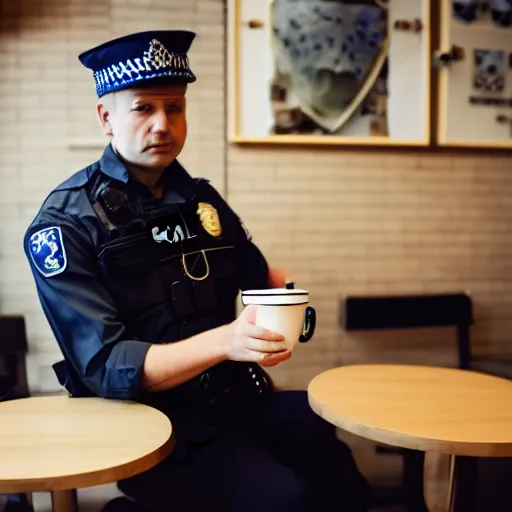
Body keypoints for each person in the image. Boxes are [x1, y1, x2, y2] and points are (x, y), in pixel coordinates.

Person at [23, 30, 372, 512]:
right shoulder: (65, 225)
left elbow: (256, 276)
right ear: (106, 117)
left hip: (233, 398)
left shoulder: (201, 199)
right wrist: (228, 341)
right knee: (286, 500)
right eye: (144, 108)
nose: (163, 124)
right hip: (151, 424)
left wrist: (281, 299)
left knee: (333, 460)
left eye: (175, 107)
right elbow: (105, 366)